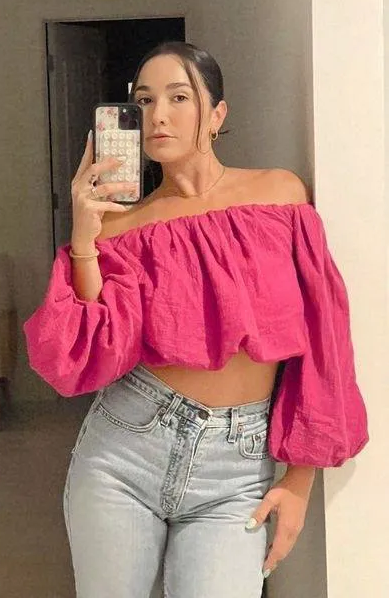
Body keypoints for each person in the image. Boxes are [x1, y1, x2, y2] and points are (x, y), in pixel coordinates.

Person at [24, 42, 368, 598]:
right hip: (125, 450)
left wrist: (301, 480)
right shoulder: (126, 226)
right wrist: (85, 238)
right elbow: (89, 351)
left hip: (237, 468)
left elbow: (324, 338)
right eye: (144, 100)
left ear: (217, 113)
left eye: (178, 97)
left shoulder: (279, 197)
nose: (158, 115)